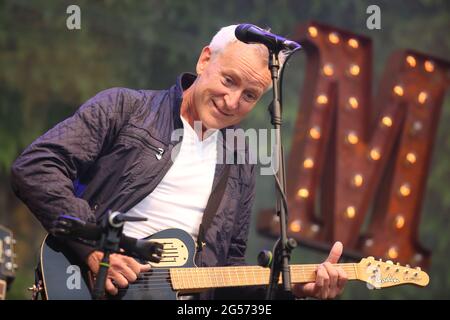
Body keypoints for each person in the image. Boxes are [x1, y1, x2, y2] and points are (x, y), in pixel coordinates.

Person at [10, 25, 347, 300]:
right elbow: (37, 166)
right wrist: (94, 249)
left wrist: (293, 287)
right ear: (204, 60)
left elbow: (226, 271)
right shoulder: (125, 109)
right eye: (228, 80)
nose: (232, 102)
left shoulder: (240, 158)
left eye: (249, 96)